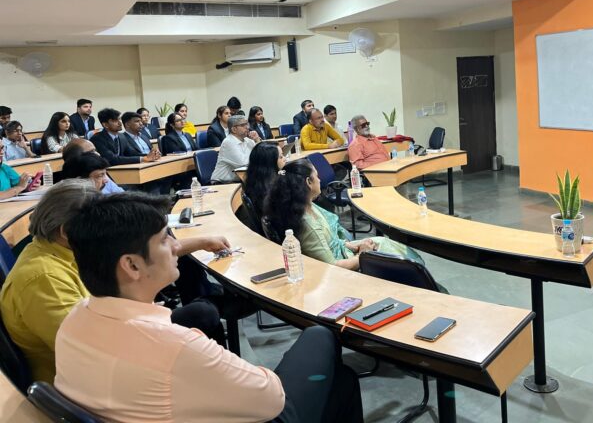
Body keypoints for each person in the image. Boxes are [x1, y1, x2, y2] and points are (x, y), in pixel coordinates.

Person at [56, 192, 363, 423]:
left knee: (342, 382)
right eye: (164, 240)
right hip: (266, 405)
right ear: (132, 265)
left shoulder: (74, 321)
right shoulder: (176, 347)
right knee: (319, 335)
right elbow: (272, 399)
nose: (176, 246)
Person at [0, 181, 228, 385]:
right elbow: (89, 350)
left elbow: (147, 253)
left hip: (112, 348)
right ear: (67, 232)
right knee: (201, 316)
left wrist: (201, 242)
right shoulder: (43, 278)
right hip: (91, 383)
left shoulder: (66, 250)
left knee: (199, 319)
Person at [265, 159, 423, 270]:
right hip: (344, 270)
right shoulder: (308, 225)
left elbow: (330, 242)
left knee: (383, 243)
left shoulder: (304, 205)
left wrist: (352, 245)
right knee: (404, 264)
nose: (320, 180)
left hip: (345, 253)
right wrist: (364, 254)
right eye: (317, 176)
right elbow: (333, 267)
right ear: (308, 182)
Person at [92, 108, 158, 166]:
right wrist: (143, 159)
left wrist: (151, 155)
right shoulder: (97, 139)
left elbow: (132, 153)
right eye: (115, 120)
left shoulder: (121, 136)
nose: (120, 123)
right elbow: (112, 159)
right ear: (105, 125)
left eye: (119, 119)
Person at [242, 143, 285, 229]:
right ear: (270, 162)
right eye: (281, 157)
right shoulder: (271, 189)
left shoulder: (257, 181)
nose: (285, 159)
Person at [211, 116, 256, 183]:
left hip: (239, 180)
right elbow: (243, 163)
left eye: (247, 124)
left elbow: (261, 155)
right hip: (221, 182)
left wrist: (257, 140)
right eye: (243, 125)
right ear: (234, 129)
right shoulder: (228, 142)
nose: (247, 127)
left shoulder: (248, 140)